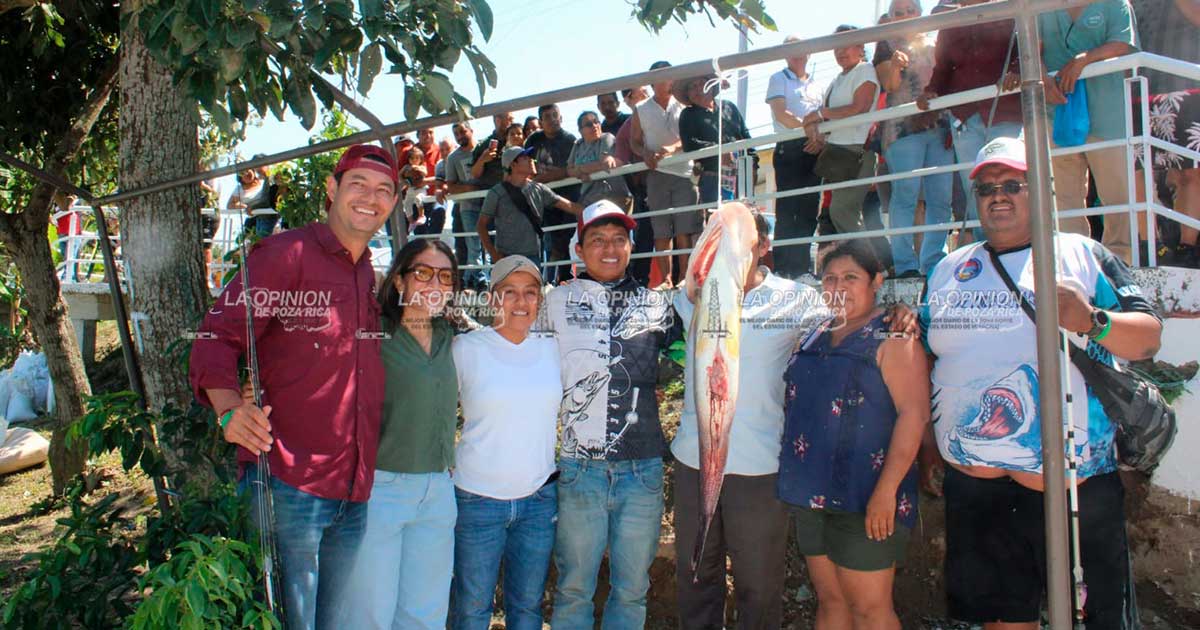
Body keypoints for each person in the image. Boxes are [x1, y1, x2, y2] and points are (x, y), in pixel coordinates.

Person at [919, 137, 1162, 629]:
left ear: (1042, 191)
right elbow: (926, 358)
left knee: (1095, 619)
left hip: (1072, 493)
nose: (998, 196)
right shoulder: (947, 268)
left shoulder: (1082, 255)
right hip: (976, 491)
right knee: (1000, 619)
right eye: (986, 188)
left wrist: (1092, 320)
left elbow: (1149, 339)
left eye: (1013, 184)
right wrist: (928, 445)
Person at [189, 144, 397, 630]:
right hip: (287, 481)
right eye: (358, 185)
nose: (371, 198)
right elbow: (215, 337)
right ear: (331, 189)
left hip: (353, 487)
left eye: (384, 190)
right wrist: (227, 410)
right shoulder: (287, 254)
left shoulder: (366, 271)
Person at [671, 211, 827, 629]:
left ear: (763, 247)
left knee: (758, 585)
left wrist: (899, 317)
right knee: (695, 578)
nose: (733, 250)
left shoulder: (796, 299)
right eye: (722, 239)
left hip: (759, 470)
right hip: (693, 460)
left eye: (745, 241)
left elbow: (840, 339)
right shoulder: (689, 295)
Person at [545, 200, 683, 630]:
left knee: (632, 588)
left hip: (642, 469)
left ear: (630, 247)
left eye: (619, 240)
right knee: (572, 588)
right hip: (579, 468)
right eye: (598, 240)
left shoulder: (657, 305)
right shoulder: (553, 302)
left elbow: (684, 355)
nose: (609, 248)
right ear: (579, 249)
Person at [778, 239, 930, 630]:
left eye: (850, 277)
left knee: (870, 610)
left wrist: (887, 491)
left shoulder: (893, 334)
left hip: (867, 495)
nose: (838, 287)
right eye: (829, 279)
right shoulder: (814, 332)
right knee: (831, 603)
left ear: (876, 280)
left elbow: (914, 415)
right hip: (812, 492)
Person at [343, 238, 460, 629]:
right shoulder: (373, 333)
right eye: (423, 273)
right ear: (399, 282)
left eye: (445, 277)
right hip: (382, 490)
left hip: (439, 491)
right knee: (370, 614)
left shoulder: (451, 335)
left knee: (425, 615)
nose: (434, 284)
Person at [448, 255, 561, 630]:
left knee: (527, 608)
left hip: (538, 502)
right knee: (472, 608)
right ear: (492, 299)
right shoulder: (465, 349)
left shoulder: (553, 349)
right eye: (509, 292)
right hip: (477, 502)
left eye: (530, 293)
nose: (520, 302)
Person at [1039, 0, 1139, 263]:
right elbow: (1028, 47)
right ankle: (1074, 262)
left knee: (1117, 193)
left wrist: (1084, 59)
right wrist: (1040, 75)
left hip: (1107, 109)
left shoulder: (1114, 4)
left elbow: (1123, 44)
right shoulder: (1040, 7)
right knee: (1064, 196)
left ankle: (1121, 262)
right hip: (1057, 111)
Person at [918, 0, 1023, 244]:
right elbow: (943, 68)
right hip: (965, 117)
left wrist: (1016, 72)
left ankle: (1018, 245)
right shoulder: (950, 22)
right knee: (975, 186)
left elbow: (1025, 50)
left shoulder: (1009, 10)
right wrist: (932, 91)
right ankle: (986, 248)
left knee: (1010, 180)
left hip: (1005, 111)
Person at [874, 0, 955, 278]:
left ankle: (934, 262)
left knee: (940, 198)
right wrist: (895, 65)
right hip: (902, 130)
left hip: (940, 126)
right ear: (892, 16)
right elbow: (890, 85)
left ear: (920, 13)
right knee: (905, 195)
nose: (906, 16)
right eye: (899, 12)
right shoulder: (885, 43)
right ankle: (906, 264)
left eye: (911, 10)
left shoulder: (937, 40)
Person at [1130, 0, 1200, 267]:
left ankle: (1187, 248)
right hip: (1140, 89)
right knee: (1140, 173)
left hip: (1188, 86)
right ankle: (1151, 246)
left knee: (1189, 173)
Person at [802, 25, 880, 239]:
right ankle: (865, 263)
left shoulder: (865, 70)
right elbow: (821, 117)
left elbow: (859, 108)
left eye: (846, 45)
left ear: (860, 47)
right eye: (836, 46)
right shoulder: (836, 80)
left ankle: (871, 264)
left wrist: (819, 115)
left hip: (857, 150)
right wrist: (815, 133)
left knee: (842, 211)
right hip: (837, 152)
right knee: (842, 214)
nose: (840, 51)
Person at [632, 60, 701, 287]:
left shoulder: (685, 105)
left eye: (671, 75)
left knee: (685, 229)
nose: (668, 80)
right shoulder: (640, 109)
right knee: (661, 230)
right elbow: (634, 142)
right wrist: (645, 154)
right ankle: (666, 280)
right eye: (663, 75)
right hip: (657, 173)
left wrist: (673, 148)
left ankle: (683, 278)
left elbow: (692, 135)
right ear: (652, 81)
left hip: (684, 172)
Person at [767, 35, 826, 279]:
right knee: (787, 209)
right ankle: (782, 268)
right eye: (791, 49)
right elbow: (781, 113)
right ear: (785, 54)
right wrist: (809, 129)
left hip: (814, 148)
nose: (798, 54)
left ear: (809, 53)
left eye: (802, 49)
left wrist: (818, 137)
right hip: (790, 147)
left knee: (808, 210)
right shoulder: (778, 78)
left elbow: (824, 116)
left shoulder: (818, 84)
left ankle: (801, 268)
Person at [478, 146, 583, 265]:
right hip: (506, 258)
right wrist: (495, 256)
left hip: (533, 257)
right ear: (512, 165)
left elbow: (570, 206)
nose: (531, 160)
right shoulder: (497, 193)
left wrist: (598, 212)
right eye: (525, 158)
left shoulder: (539, 189)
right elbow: (481, 225)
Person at [678, 73, 756, 205]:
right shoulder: (688, 115)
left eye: (701, 84)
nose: (698, 89)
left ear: (711, 85)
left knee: (744, 214)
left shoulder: (729, 106)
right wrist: (719, 152)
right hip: (712, 175)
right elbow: (690, 144)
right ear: (688, 94)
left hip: (741, 171)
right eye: (692, 87)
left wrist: (753, 163)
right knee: (718, 218)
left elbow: (745, 135)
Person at [525, 104, 581, 282]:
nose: (552, 120)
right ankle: (562, 278)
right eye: (547, 117)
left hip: (569, 196)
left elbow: (567, 171)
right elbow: (526, 163)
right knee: (553, 237)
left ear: (561, 117)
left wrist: (541, 179)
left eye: (555, 115)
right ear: (541, 122)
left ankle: (563, 277)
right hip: (544, 198)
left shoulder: (569, 139)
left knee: (564, 236)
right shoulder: (534, 140)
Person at [444, 121, 488, 288]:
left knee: (490, 241)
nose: (460, 136)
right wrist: (469, 187)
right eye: (457, 134)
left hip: (489, 204)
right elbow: (451, 186)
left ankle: (487, 278)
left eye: (463, 131)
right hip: (468, 207)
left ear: (471, 130)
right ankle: (479, 281)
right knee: (473, 244)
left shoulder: (483, 149)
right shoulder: (453, 158)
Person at [567, 111, 632, 211]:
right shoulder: (578, 145)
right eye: (589, 124)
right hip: (589, 200)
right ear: (580, 131)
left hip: (614, 197)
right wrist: (580, 172)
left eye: (596, 122)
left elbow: (604, 163)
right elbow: (569, 169)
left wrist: (581, 169)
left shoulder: (607, 138)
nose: (595, 126)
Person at [472, 112, 516, 189]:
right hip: (495, 194)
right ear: (498, 121)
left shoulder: (518, 138)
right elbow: (474, 174)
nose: (513, 123)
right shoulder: (483, 145)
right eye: (510, 119)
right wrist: (482, 159)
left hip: (518, 190)